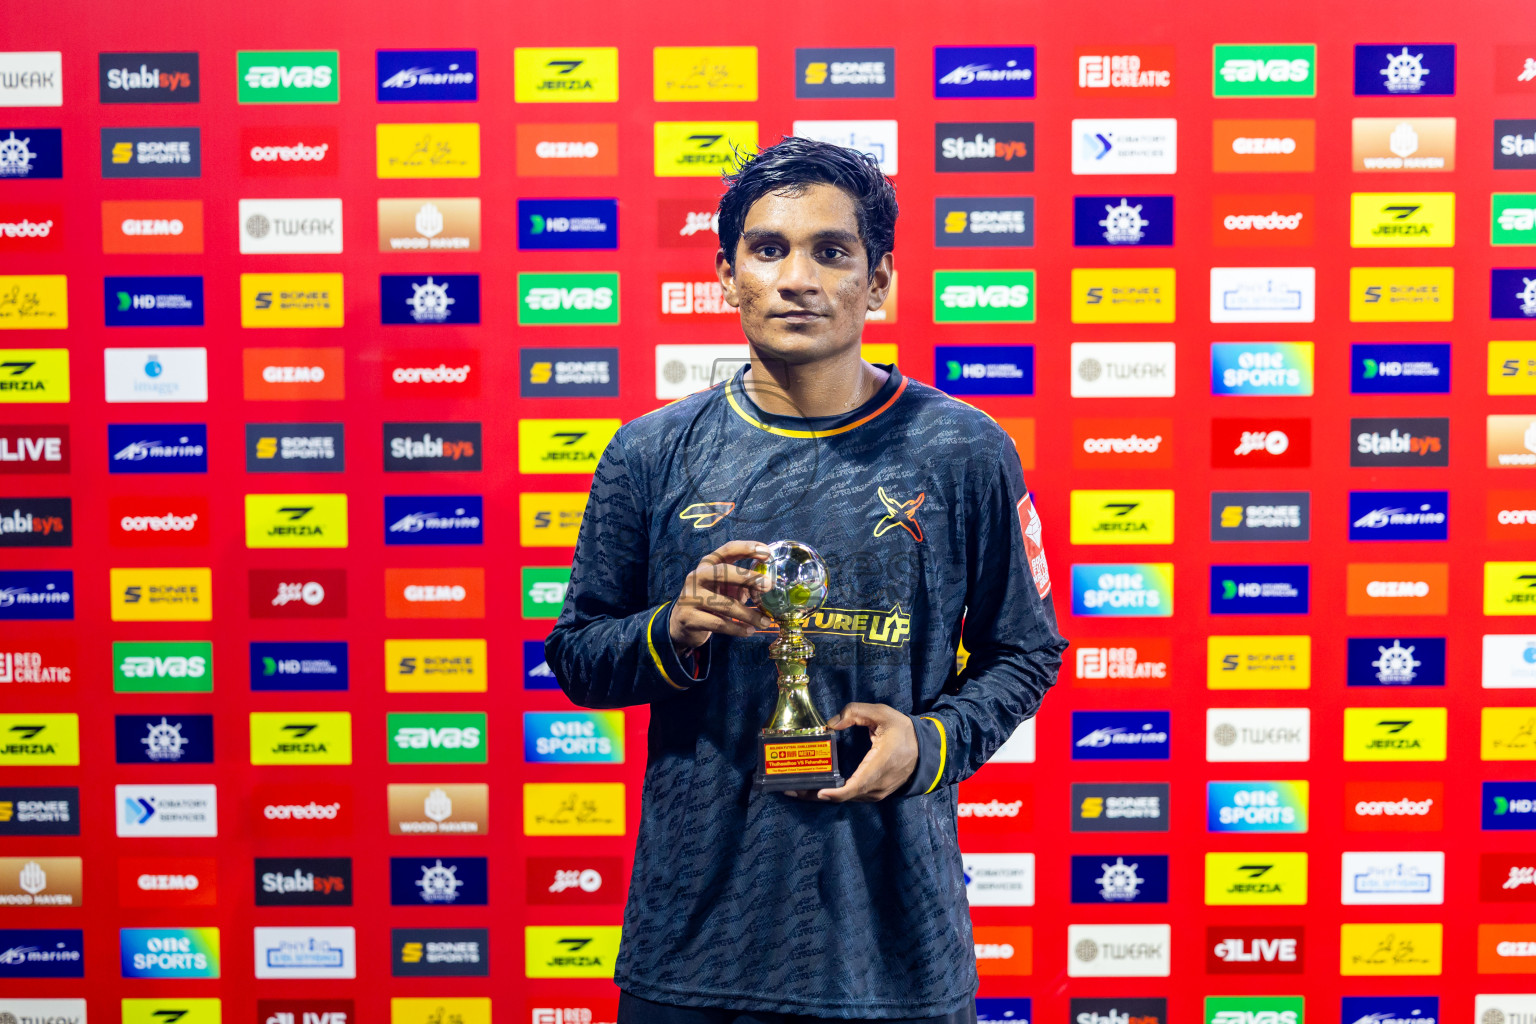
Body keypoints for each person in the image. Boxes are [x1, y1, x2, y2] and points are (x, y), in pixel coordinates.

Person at [545, 137, 1066, 1023]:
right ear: (725, 274)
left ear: (880, 280)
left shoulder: (964, 450)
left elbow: (1027, 651)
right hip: (692, 947)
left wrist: (932, 743)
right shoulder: (652, 451)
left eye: (832, 251)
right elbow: (578, 655)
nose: (798, 278)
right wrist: (671, 628)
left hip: (896, 948)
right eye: (768, 248)